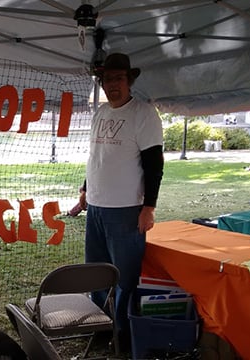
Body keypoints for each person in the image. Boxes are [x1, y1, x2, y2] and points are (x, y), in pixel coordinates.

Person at [79, 53, 164, 352]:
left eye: (118, 78)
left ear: (129, 80)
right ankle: (101, 327)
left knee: (125, 278)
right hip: (97, 209)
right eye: (106, 79)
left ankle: (124, 334)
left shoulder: (144, 114)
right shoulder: (100, 113)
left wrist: (149, 207)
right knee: (97, 274)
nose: (112, 85)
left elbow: (154, 165)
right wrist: (85, 191)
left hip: (126, 210)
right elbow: (96, 158)